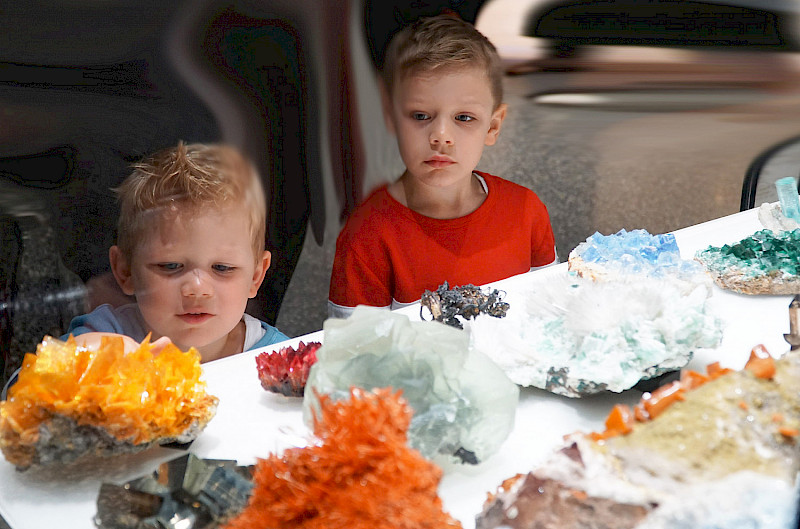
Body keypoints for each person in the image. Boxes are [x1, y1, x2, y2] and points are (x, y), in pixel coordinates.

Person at [328, 14, 557, 319]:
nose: (441, 137)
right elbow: (356, 353)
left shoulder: (526, 212)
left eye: (464, 118)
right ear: (392, 116)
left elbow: (550, 314)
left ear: (492, 126)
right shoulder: (367, 237)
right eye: (421, 116)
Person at [62, 141, 289, 363]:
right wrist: (85, 358)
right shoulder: (108, 333)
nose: (198, 290)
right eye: (171, 266)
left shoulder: (278, 357)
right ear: (125, 271)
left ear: (256, 276)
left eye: (222, 268)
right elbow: (33, 380)